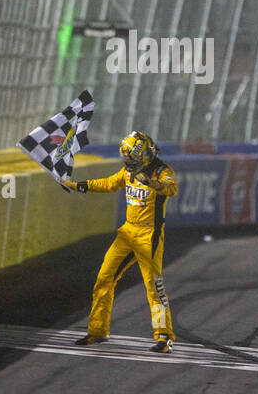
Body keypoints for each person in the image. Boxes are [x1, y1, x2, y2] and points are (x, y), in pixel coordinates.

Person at [62, 131, 179, 353]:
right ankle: (97, 331)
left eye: (132, 157)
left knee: (154, 287)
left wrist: (152, 183)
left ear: (144, 153)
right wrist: (78, 185)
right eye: (127, 157)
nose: (128, 161)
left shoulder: (163, 170)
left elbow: (171, 189)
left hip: (149, 236)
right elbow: (108, 183)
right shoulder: (128, 171)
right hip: (126, 233)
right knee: (104, 279)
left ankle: (164, 336)